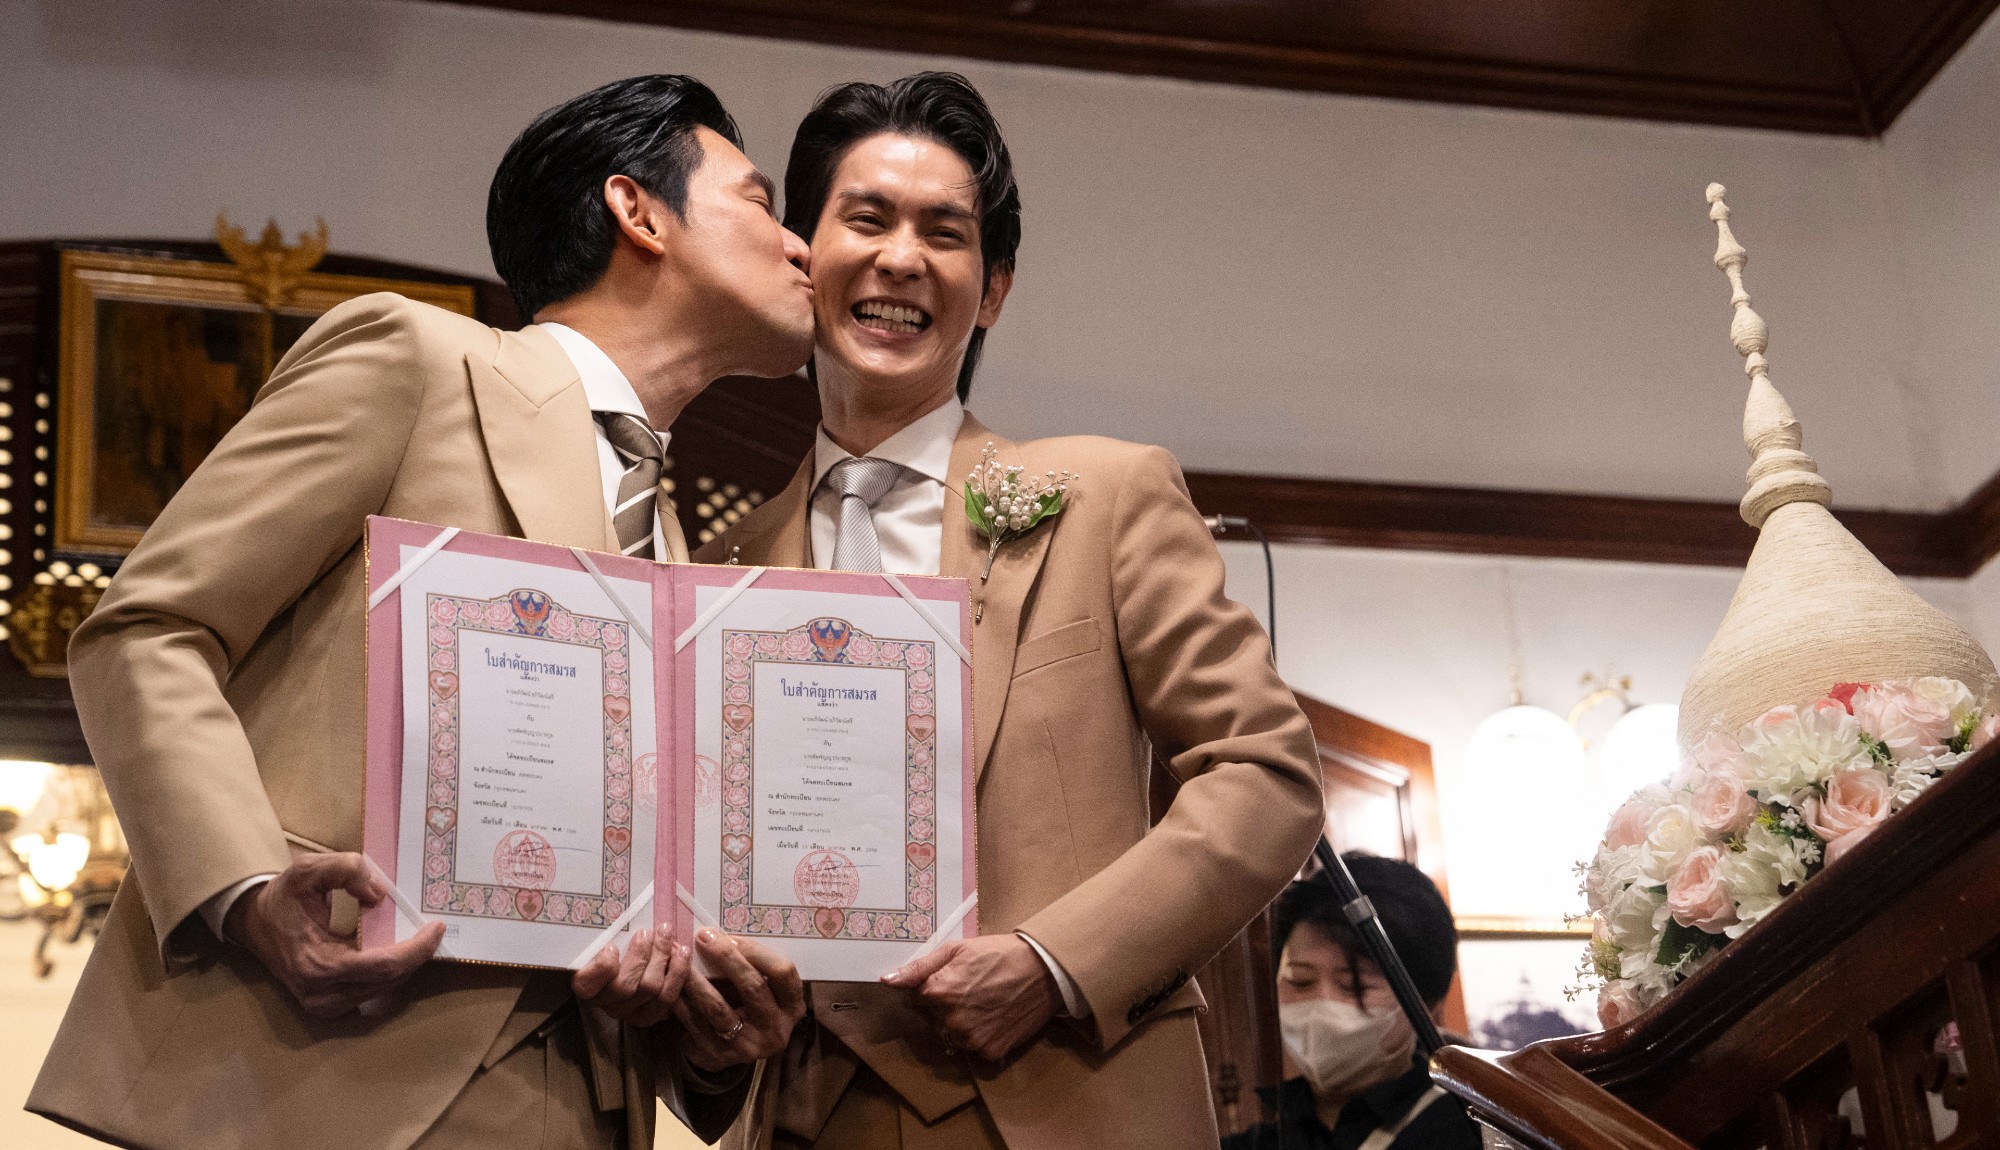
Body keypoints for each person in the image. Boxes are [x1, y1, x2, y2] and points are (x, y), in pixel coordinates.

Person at [30, 75, 815, 1150]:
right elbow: (147, 627)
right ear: (639, 212)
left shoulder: (681, 546)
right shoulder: (421, 360)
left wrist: (706, 1036)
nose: (802, 246)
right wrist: (250, 887)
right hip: (321, 1071)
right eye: (761, 200)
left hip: (580, 1105)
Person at [697, 72, 1324, 1149]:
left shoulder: (1104, 494)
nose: (901, 257)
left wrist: (1051, 963)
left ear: (989, 290)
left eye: (944, 233)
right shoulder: (720, 564)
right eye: (866, 217)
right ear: (803, 255)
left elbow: (1264, 773)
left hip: (1069, 1099)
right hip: (806, 1117)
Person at [1222, 857, 1482, 1150]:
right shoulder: (1258, 1141)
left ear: (1428, 1003)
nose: (1322, 1005)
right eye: (1300, 981)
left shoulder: (1472, 1133)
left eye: (1355, 986)